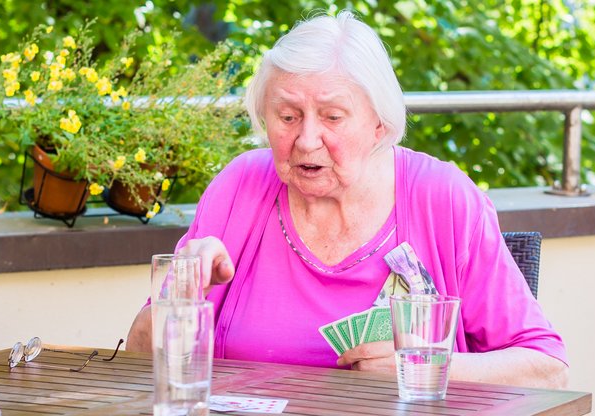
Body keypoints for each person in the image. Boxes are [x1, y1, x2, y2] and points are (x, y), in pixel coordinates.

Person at [123, 12, 570, 389]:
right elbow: (138, 359)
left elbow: (549, 371)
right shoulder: (239, 187)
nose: (306, 139)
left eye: (332, 117)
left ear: (379, 124)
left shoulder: (443, 198)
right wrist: (180, 294)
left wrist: (423, 367)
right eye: (287, 116)